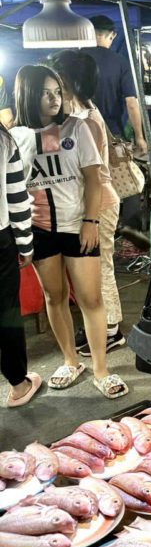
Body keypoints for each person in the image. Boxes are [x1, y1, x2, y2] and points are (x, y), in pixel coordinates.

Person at [11, 65, 128, 398]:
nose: (54, 98)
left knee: (91, 298)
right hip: (39, 229)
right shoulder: (14, 136)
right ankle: (69, 360)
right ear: (28, 94)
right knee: (54, 297)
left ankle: (101, 369)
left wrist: (91, 221)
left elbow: (94, 179)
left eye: (57, 91)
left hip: (78, 226)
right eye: (45, 92)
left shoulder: (77, 127)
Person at [48, 50, 125, 357]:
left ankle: (110, 330)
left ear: (68, 80)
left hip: (100, 204)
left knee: (100, 267)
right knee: (97, 267)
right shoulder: (82, 113)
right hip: (93, 203)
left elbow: (86, 174)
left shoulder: (86, 119)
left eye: (56, 77)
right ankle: (105, 326)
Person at [0, 123, 40, 407]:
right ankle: (18, 384)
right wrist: (25, 244)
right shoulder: (4, 140)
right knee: (6, 313)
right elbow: (17, 199)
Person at [87, 15, 147, 154]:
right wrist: (139, 137)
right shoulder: (121, 62)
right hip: (111, 132)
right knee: (115, 173)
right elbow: (131, 103)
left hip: (78, 131)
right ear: (113, 35)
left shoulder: (72, 59)